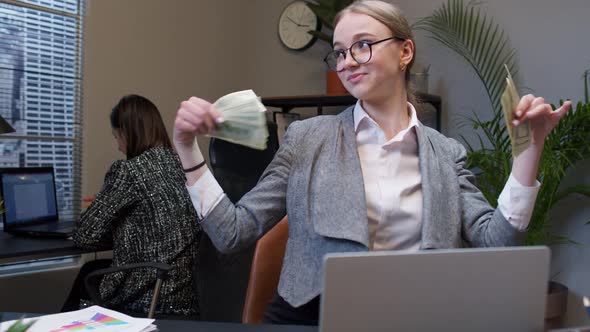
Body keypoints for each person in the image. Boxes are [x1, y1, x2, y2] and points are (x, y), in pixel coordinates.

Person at [172, 0, 571, 325]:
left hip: (416, 320)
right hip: (310, 320)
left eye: (362, 44)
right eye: (340, 52)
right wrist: (188, 150)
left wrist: (530, 150)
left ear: (405, 52)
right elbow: (232, 233)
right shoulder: (307, 139)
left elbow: (496, 242)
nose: (346, 61)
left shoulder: (446, 154)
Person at [65, 94, 201, 318]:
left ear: (126, 133)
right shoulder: (183, 166)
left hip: (148, 297)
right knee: (90, 271)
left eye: (116, 137)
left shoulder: (129, 171)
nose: (118, 147)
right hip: (186, 294)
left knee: (87, 278)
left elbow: (85, 235)